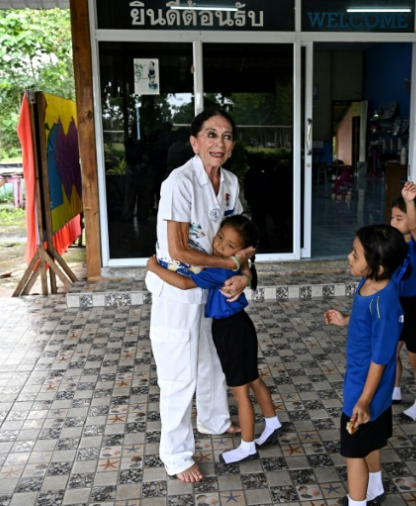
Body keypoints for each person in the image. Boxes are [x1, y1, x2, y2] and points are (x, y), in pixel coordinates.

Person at [145, 109, 254, 483]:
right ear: (195, 142)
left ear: (232, 144)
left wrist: (243, 273)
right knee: (178, 377)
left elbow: (242, 239)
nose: (219, 143)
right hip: (178, 292)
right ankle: (175, 456)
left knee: (213, 361)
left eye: (226, 136)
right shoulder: (179, 182)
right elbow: (177, 249)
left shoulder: (230, 183)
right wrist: (231, 264)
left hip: (210, 289)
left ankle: (214, 421)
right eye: (211, 135)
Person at [146, 215, 281, 465]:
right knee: (253, 377)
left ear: (239, 251)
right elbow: (243, 263)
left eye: (229, 245)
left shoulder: (219, 269)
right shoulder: (235, 265)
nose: (219, 246)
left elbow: (185, 283)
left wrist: (155, 269)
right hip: (242, 325)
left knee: (240, 391)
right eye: (219, 238)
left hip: (229, 330)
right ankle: (273, 423)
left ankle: (248, 446)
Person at [324, 225, 409, 506]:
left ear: (378, 266)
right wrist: (346, 319)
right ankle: (375, 489)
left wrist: (364, 399)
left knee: (354, 451)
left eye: (356, 254)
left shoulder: (385, 305)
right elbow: (367, 323)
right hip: (367, 386)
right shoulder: (369, 283)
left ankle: (357, 502)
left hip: (365, 387)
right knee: (369, 439)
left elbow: (381, 358)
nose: (349, 257)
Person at [389, 182, 416, 421]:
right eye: (392, 217)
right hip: (397, 305)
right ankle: (395, 390)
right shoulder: (394, 245)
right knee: (391, 351)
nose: (393, 222)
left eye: (399, 218)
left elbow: (415, 227)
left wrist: (409, 201)